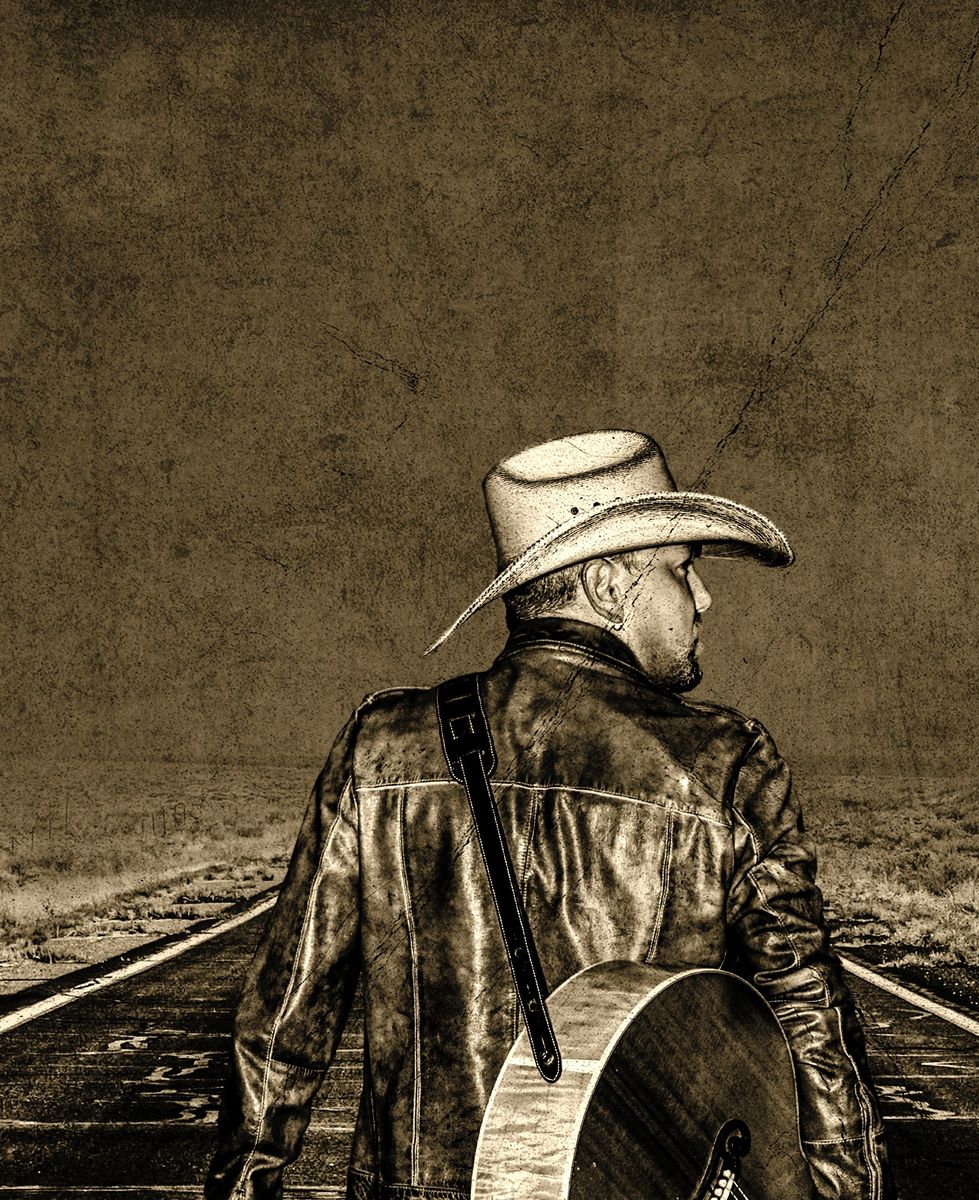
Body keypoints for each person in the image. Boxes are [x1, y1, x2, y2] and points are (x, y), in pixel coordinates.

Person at [206, 429, 893, 1200]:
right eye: (682, 568)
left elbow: (282, 1021)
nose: (702, 599)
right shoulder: (726, 763)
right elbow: (811, 1029)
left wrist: (243, 1185)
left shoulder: (383, 747)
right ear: (607, 586)